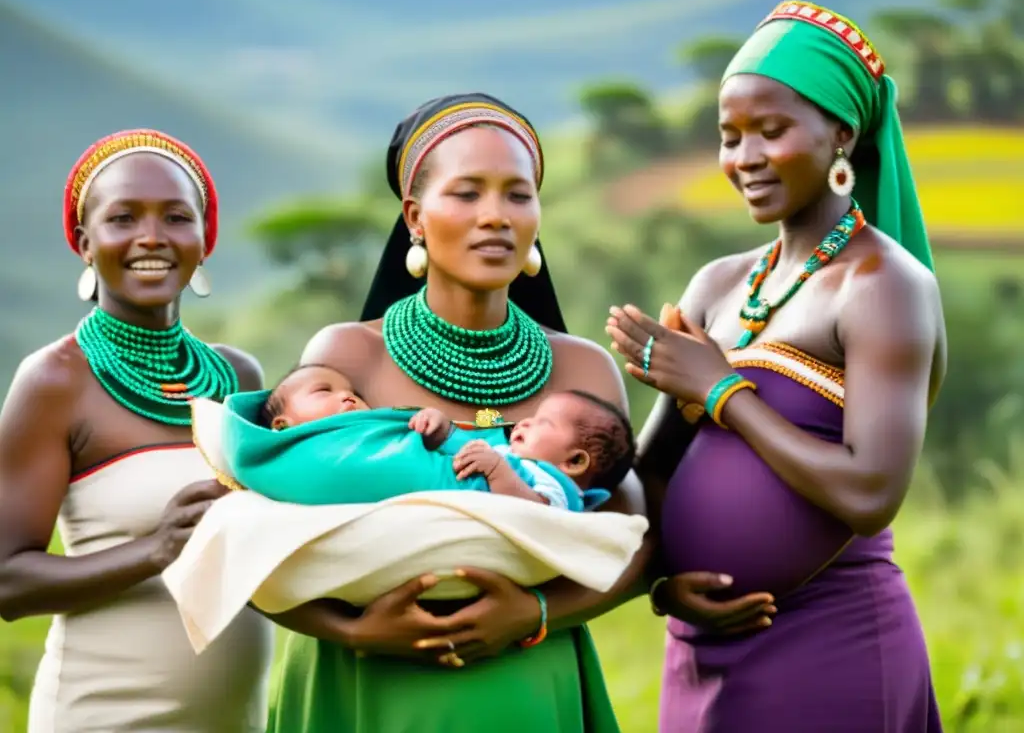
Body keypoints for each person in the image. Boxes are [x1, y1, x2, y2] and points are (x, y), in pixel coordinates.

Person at [260, 94, 649, 733]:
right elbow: (262, 531)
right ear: (414, 216)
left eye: (517, 196)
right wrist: (354, 631)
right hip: (365, 690)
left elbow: (635, 538)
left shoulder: (583, 371)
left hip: (528, 686)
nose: (495, 217)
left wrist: (536, 614)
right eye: (467, 194)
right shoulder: (345, 358)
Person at [607, 0, 947, 731]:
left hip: (834, 650)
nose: (744, 158)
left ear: (841, 138)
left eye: (771, 131)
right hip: (700, 652)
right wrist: (661, 581)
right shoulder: (718, 285)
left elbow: (870, 492)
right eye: (729, 137)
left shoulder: (884, 287)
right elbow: (655, 470)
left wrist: (721, 388)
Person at [0, 129, 274, 731]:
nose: (151, 237)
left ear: (204, 240)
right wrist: (155, 551)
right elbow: (8, 579)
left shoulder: (237, 374)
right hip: (103, 714)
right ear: (84, 242)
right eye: (123, 218)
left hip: (235, 716)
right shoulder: (55, 381)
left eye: (177, 217)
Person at [232, 362, 633, 511]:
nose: (348, 397)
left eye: (542, 423)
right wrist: (445, 434)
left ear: (577, 462)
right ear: (414, 215)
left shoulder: (550, 483)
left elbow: (539, 516)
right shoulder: (346, 348)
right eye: (327, 392)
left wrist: (495, 469)